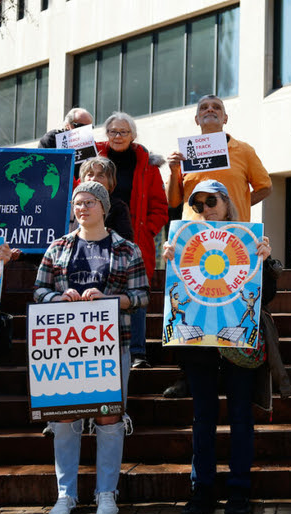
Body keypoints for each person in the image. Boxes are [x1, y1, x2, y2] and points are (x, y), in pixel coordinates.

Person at [34, 181, 149, 514]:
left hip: (113, 345)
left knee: (108, 416)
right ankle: (66, 494)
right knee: (65, 416)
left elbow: (142, 297)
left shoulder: (127, 249)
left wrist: (108, 300)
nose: (81, 208)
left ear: (103, 207)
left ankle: (106, 492)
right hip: (65, 346)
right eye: (77, 203)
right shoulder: (57, 248)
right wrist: (58, 297)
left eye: (88, 202)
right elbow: (39, 289)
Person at [162, 180, 271, 514]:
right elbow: (176, 296)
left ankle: (239, 490)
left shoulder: (250, 241)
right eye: (198, 205)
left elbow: (264, 298)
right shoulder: (184, 244)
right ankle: (202, 491)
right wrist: (171, 261)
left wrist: (262, 262)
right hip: (199, 348)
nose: (206, 209)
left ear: (226, 202)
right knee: (203, 419)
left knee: (240, 418)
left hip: (237, 344)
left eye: (211, 201)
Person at [96, 112, 169, 369]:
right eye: (113, 131)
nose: (117, 136)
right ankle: (103, 350)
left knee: (136, 294)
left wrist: (145, 230)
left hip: (135, 240)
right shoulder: (93, 160)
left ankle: (138, 352)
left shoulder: (147, 164)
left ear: (133, 135)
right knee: (99, 291)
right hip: (97, 238)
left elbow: (161, 206)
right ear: (106, 134)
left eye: (123, 132)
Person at [167, 94, 273, 222]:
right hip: (195, 233)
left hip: (233, 231)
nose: (210, 109)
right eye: (204, 107)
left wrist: (232, 207)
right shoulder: (183, 155)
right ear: (196, 119)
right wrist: (173, 171)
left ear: (225, 118)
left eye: (216, 107)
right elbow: (172, 202)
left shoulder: (245, 151)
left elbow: (265, 188)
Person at [78, 157, 133, 241]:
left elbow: (125, 243)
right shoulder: (73, 205)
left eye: (100, 176)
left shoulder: (118, 207)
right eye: (90, 174)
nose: (94, 179)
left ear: (110, 182)